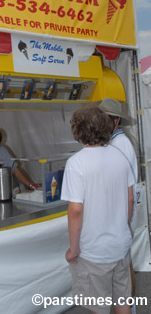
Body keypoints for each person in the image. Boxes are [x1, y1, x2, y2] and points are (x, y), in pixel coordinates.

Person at [61, 106, 135, 314]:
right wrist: (121, 228)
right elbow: (129, 198)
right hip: (119, 245)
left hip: (93, 252)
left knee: (97, 307)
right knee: (122, 302)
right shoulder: (120, 157)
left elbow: (76, 211)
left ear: (78, 131)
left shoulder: (76, 164)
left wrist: (73, 249)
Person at [99, 98, 138, 314]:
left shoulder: (119, 145)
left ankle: (127, 308)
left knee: (121, 266)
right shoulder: (115, 142)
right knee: (124, 263)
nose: (102, 122)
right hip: (120, 215)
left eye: (106, 118)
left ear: (116, 120)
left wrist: (122, 222)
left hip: (120, 215)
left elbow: (128, 193)